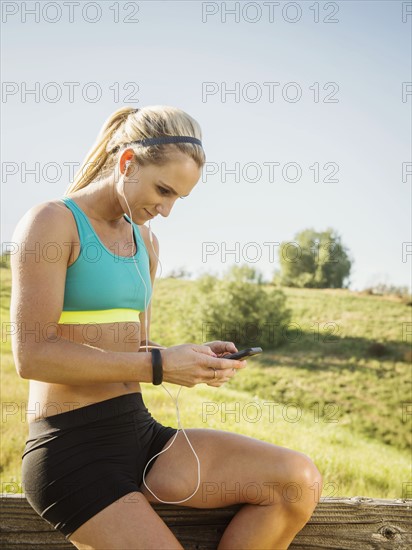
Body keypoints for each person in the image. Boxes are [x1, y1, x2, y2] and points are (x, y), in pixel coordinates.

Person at [10, 105, 322, 550]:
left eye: (178, 197)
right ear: (126, 162)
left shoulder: (147, 243)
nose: (167, 209)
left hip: (141, 437)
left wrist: (188, 358)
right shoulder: (52, 223)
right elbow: (33, 354)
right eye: (162, 189)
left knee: (297, 481)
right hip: (72, 455)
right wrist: (159, 366)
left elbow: (136, 348)